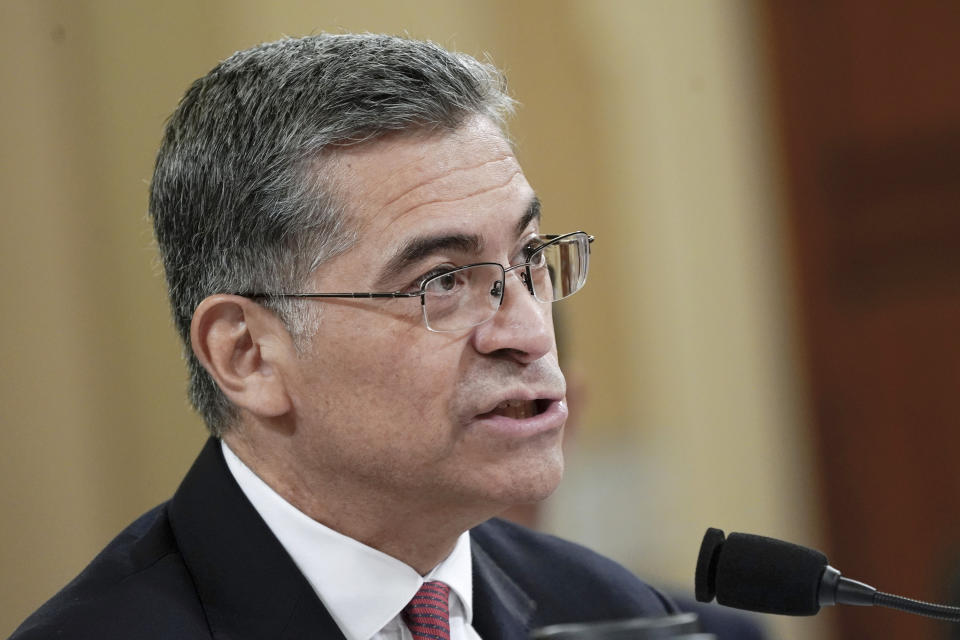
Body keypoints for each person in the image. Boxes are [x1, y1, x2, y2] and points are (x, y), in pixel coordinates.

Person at [10, 34, 679, 640]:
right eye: (442, 280)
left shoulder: (609, 609)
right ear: (246, 354)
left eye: (530, 257)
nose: (530, 331)